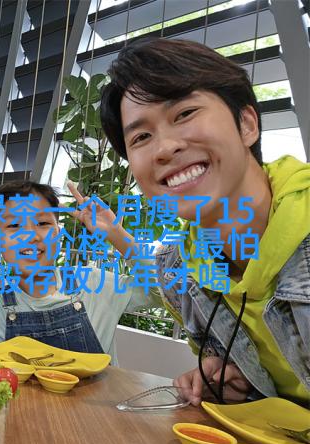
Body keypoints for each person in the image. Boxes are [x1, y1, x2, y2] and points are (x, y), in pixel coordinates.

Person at [99, 37, 310, 405]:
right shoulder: (180, 273)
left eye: (184, 114)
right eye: (142, 136)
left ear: (246, 124)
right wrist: (237, 378)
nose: (165, 148)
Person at [0, 180, 162, 360]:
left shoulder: (94, 284)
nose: (31, 236)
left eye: (43, 223)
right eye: (14, 225)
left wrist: (116, 233)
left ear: (59, 233)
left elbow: (164, 293)